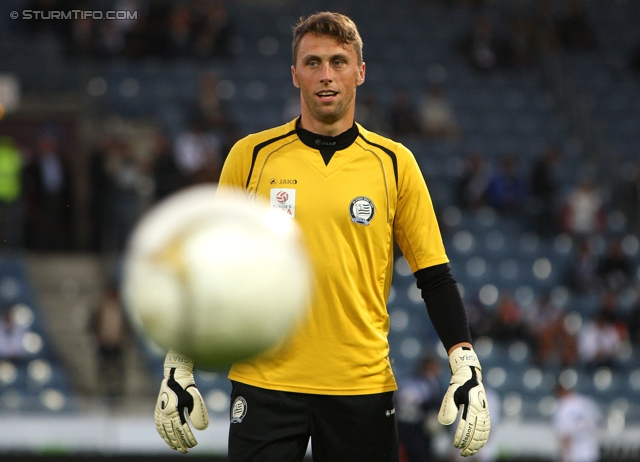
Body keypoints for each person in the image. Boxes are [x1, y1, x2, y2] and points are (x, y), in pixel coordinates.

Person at [153, 12, 490, 461]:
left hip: (361, 386)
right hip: (265, 383)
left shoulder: (395, 163)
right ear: (295, 74)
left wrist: (464, 360)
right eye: (312, 63)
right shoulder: (250, 157)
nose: (326, 75)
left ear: (360, 72)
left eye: (338, 61)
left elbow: (434, 276)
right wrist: (180, 359)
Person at [552, 381, 602, 462]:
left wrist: (564, 457)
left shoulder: (563, 406)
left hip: (574, 455)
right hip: (590, 453)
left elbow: (565, 435)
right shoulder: (588, 402)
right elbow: (598, 422)